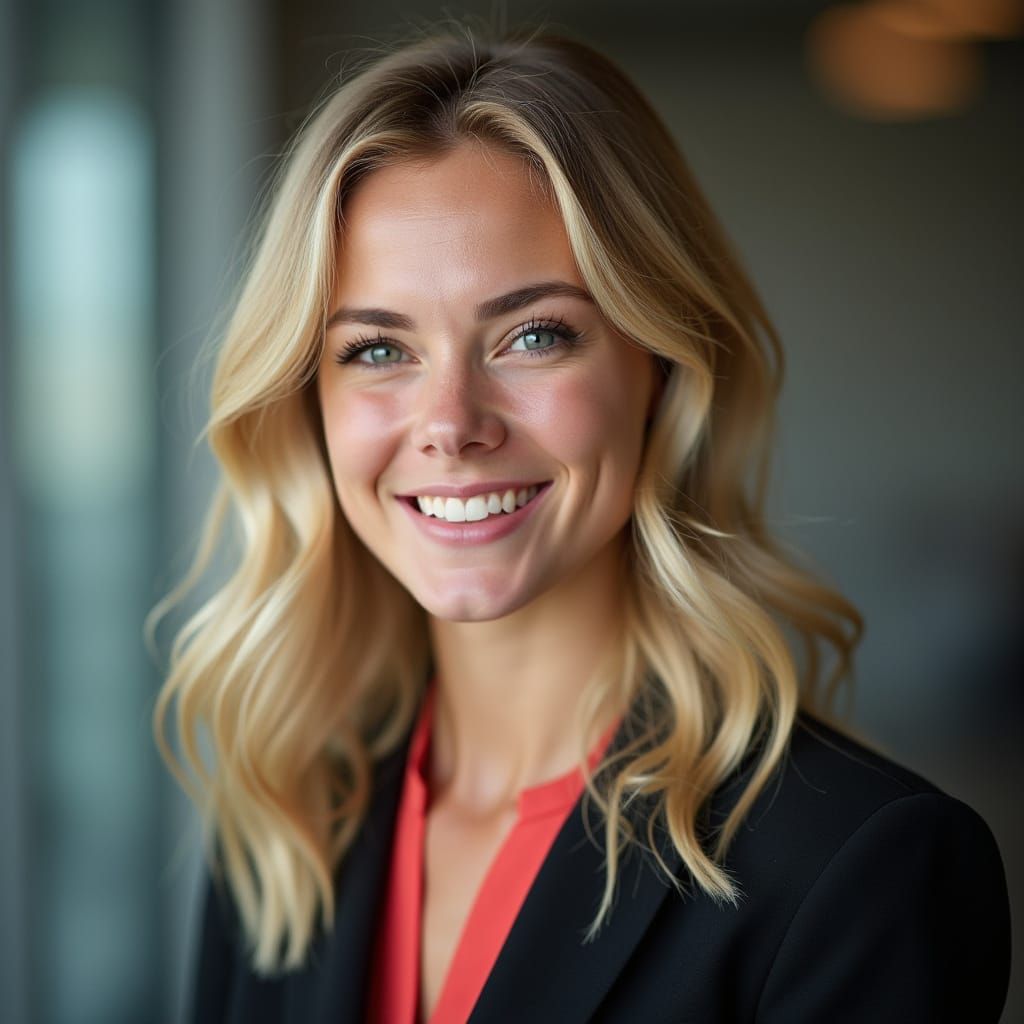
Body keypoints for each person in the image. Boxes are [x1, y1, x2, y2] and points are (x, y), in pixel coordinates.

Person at [149, 24, 1011, 1024]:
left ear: (663, 371)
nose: (451, 425)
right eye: (377, 350)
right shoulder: (289, 834)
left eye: (533, 334)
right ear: (311, 403)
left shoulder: (860, 870)